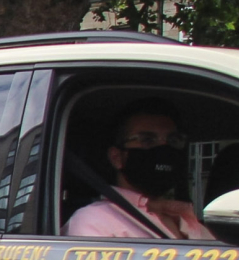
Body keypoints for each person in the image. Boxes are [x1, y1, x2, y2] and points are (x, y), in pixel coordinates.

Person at [65, 98, 214, 240]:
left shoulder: (184, 218)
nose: (163, 149)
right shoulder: (95, 220)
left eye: (172, 140)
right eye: (147, 140)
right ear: (117, 157)